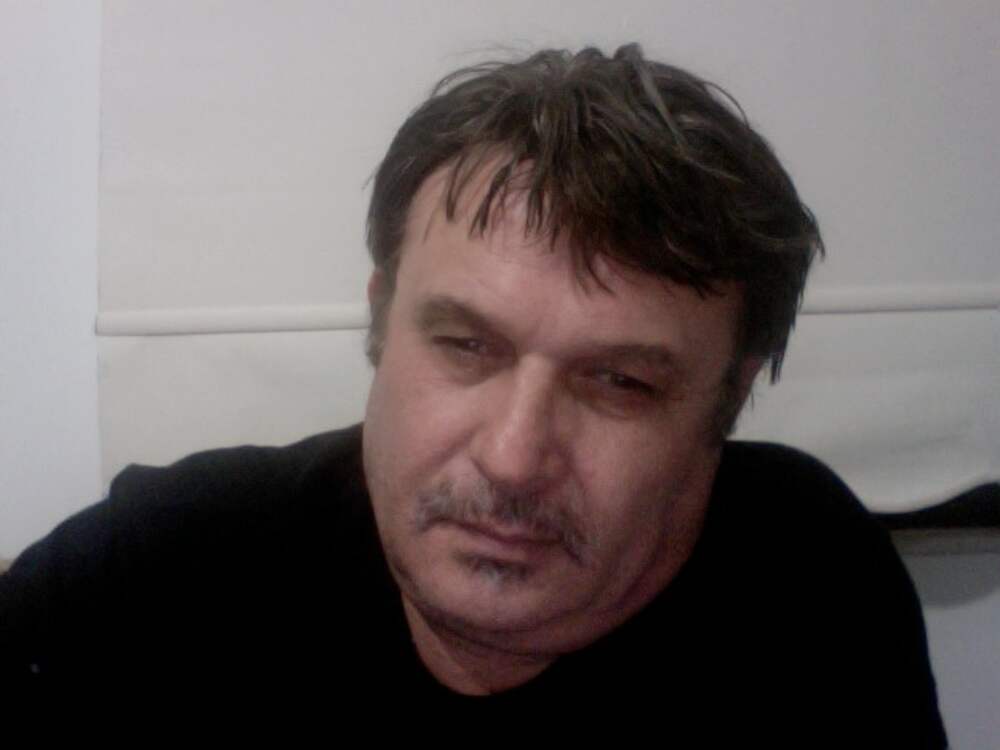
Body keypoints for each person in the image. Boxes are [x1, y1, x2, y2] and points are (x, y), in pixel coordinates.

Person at [1, 44, 945, 742]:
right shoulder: (163, 571)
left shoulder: (804, 595)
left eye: (619, 381)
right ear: (382, 321)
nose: (513, 457)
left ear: (727, 398)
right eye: (466, 346)